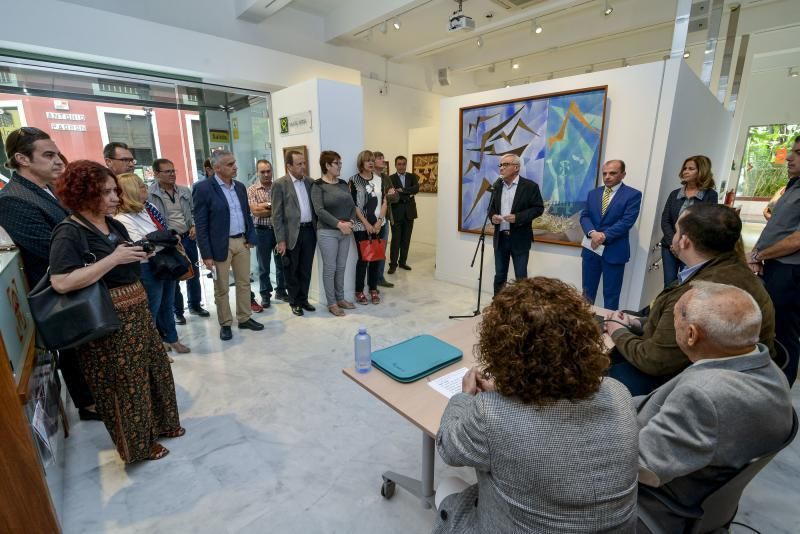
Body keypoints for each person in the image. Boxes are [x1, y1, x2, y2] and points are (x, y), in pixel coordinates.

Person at [434, 277, 638, 533]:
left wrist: (464, 397)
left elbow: (447, 447)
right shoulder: (619, 394)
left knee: (447, 486)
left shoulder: (491, 414)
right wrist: (508, 390)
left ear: (501, 349)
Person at [49, 160, 183, 462]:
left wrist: (141, 252)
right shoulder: (69, 232)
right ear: (83, 194)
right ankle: (138, 445)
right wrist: (114, 260)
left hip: (136, 310)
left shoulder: (114, 224)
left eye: (114, 191)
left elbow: (124, 258)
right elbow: (61, 281)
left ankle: (162, 424)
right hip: (107, 319)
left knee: (155, 371)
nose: (115, 198)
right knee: (125, 384)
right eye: (106, 192)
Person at [636, 282, 793, 532]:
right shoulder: (766, 367)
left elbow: (640, 465)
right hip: (704, 484)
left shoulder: (703, 395)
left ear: (691, 334)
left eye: (673, 316)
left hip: (657, 506)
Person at [605, 203, 776, 395]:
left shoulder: (698, 294)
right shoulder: (729, 267)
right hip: (730, 378)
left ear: (684, 241)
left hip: (688, 384)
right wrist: (636, 322)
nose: (673, 236)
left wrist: (617, 330)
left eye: (676, 231)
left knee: (598, 373)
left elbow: (654, 361)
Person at [0, 127, 98, 421]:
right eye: (48, 155)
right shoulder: (13, 199)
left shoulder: (49, 190)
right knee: (74, 352)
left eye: (57, 154)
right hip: (58, 292)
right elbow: (49, 251)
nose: (58, 161)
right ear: (22, 158)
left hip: (77, 283)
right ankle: (88, 404)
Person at [116, 173, 190, 355]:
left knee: (168, 303)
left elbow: (158, 236)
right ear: (131, 191)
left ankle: (172, 339)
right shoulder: (121, 219)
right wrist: (165, 238)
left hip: (165, 261)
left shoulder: (145, 210)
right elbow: (143, 246)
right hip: (147, 267)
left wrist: (162, 239)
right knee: (152, 308)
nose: (146, 189)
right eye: (141, 186)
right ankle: (155, 348)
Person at [193, 150, 263, 340]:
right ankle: (225, 323)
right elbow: (201, 224)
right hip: (218, 246)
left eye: (234, 163)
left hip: (241, 242)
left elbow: (246, 214)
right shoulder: (204, 189)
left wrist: (250, 237)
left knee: (244, 283)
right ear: (216, 168)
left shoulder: (240, 187)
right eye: (229, 164)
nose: (235, 167)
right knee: (222, 287)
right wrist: (206, 254)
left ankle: (244, 318)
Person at [749, 135, 800, 386]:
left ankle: (779, 389)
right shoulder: (792, 185)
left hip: (790, 272)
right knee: (768, 325)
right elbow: (777, 227)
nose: (790, 157)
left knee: (784, 332)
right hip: (774, 267)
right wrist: (759, 253)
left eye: (798, 152)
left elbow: (796, 239)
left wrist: (759, 254)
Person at [148, 158, 208, 325]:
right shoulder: (150, 194)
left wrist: (194, 225)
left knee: (193, 272)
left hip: (188, 237)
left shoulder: (184, 190)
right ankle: (178, 312)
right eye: (167, 171)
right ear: (157, 174)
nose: (172, 174)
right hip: (169, 241)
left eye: (173, 171)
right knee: (174, 275)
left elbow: (195, 211)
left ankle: (195, 305)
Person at [580, 159, 641, 310]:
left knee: (611, 295)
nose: (607, 176)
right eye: (605, 173)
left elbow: (627, 221)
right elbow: (585, 216)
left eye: (612, 173)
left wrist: (603, 236)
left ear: (623, 174)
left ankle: (610, 329)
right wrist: (593, 233)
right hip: (591, 250)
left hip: (614, 252)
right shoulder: (593, 193)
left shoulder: (633, 195)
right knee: (587, 293)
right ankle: (583, 326)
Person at [488, 153, 544, 295]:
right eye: (500, 165)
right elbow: (491, 208)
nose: (501, 168)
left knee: (521, 278)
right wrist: (493, 216)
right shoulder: (497, 186)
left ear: (516, 168)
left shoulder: (530, 186)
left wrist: (518, 218)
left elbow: (538, 208)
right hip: (500, 238)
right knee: (500, 275)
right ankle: (498, 307)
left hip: (520, 238)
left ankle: (522, 309)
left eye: (505, 165)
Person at [659, 155, 718, 286]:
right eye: (685, 168)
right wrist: (673, 244)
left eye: (691, 168)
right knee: (669, 285)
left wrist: (684, 244)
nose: (685, 171)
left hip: (692, 248)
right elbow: (665, 220)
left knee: (687, 285)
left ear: (701, 171)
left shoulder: (710, 195)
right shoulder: (674, 194)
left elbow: (706, 224)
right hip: (669, 247)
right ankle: (668, 307)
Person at [272, 150, 317, 316]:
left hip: (309, 232)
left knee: (306, 268)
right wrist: (280, 240)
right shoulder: (279, 184)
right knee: (292, 270)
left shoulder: (310, 183)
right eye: (299, 164)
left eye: (304, 163)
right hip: (291, 234)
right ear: (289, 166)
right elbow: (276, 215)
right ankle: (294, 301)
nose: (303, 167)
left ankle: (304, 299)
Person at [311, 151, 356, 316]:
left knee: (341, 267)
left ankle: (340, 298)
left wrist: (351, 222)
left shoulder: (344, 184)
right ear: (327, 165)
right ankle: (331, 303)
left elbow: (352, 206)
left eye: (340, 163)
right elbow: (319, 210)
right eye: (337, 163)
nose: (340, 166)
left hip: (346, 231)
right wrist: (338, 224)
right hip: (327, 232)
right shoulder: (318, 186)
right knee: (330, 268)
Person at [247, 159, 288, 309]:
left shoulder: (279, 187)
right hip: (261, 232)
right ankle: (265, 295)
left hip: (279, 231)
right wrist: (273, 207)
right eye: (262, 172)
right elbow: (255, 211)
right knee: (263, 266)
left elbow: (283, 209)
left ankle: (281, 291)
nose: (266, 174)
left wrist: (265, 207)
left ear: (272, 171)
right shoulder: (252, 190)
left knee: (281, 264)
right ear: (257, 173)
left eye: (268, 171)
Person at [349, 150, 388, 305]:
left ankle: (373, 288)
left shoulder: (379, 180)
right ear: (361, 163)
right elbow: (354, 206)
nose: (371, 163)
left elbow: (384, 202)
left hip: (379, 225)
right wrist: (366, 224)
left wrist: (379, 222)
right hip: (361, 226)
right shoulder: (353, 180)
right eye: (367, 161)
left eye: (372, 160)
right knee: (364, 259)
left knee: (377, 258)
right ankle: (359, 291)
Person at [387, 155, 419, 274]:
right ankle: (393, 264)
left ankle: (403, 262)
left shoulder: (412, 176)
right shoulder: (390, 178)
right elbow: (392, 195)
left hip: (409, 213)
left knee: (406, 239)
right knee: (395, 240)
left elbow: (416, 189)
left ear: (406, 164)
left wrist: (402, 191)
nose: (401, 166)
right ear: (395, 165)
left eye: (403, 164)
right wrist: (407, 194)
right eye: (399, 164)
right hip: (396, 213)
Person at [372, 151, 394, 288]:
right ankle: (371, 280)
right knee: (371, 250)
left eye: (383, 158)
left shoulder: (386, 178)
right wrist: (388, 194)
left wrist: (391, 195)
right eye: (380, 158)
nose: (383, 160)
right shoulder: (368, 178)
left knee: (381, 250)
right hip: (371, 221)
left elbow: (395, 197)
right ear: (372, 161)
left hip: (384, 220)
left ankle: (380, 277)